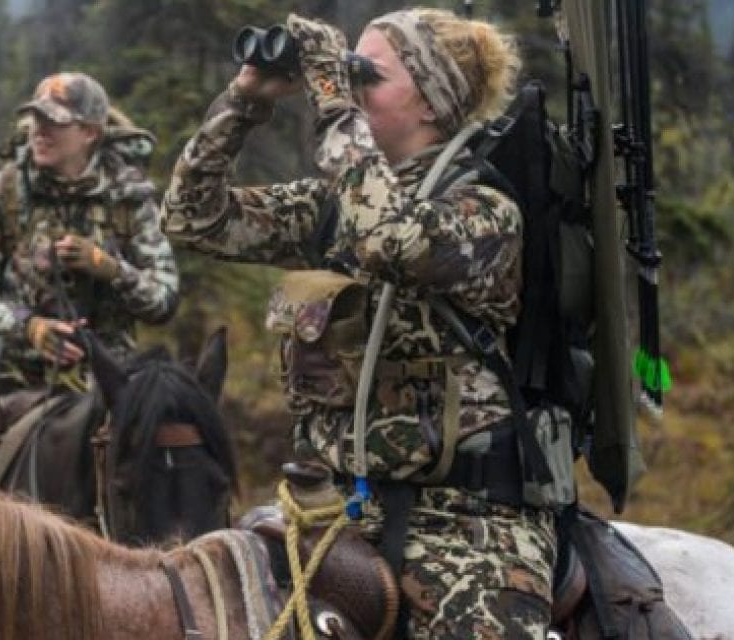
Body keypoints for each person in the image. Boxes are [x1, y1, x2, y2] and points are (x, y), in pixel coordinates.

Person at [162, 9, 555, 639]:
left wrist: (328, 98)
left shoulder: (486, 212)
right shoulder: (332, 207)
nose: (346, 85)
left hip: (465, 520)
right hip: (336, 502)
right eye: (347, 73)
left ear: (431, 102)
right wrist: (244, 100)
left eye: (366, 74)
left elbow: (389, 238)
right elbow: (191, 217)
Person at [0, 72, 179, 476]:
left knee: (176, 470)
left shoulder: (131, 199)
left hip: (112, 383)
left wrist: (110, 269)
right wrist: (30, 328)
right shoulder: (0, 193)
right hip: (13, 380)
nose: (39, 131)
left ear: (90, 133)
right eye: (34, 120)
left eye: (55, 123)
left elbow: (164, 300)